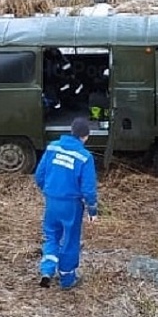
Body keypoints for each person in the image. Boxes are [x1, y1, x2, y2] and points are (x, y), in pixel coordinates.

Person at [34, 117, 98, 289]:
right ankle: (67, 278)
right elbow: (88, 189)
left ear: (71, 131)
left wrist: (49, 190)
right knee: (70, 239)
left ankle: (47, 270)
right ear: (86, 136)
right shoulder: (85, 157)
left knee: (51, 235)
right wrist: (92, 210)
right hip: (71, 205)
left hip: (52, 201)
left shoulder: (52, 147)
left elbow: (39, 175)